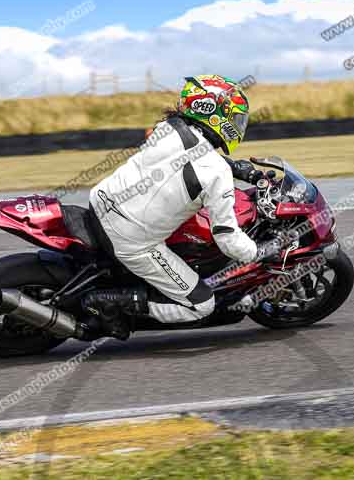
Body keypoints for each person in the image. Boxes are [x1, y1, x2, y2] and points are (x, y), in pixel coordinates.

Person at [83, 75, 282, 340]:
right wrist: (260, 251)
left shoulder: (166, 128)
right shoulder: (216, 172)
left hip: (101, 202)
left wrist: (237, 168)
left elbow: (187, 157)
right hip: (130, 240)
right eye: (235, 118)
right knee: (202, 304)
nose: (238, 125)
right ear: (214, 114)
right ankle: (111, 301)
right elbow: (227, 239)